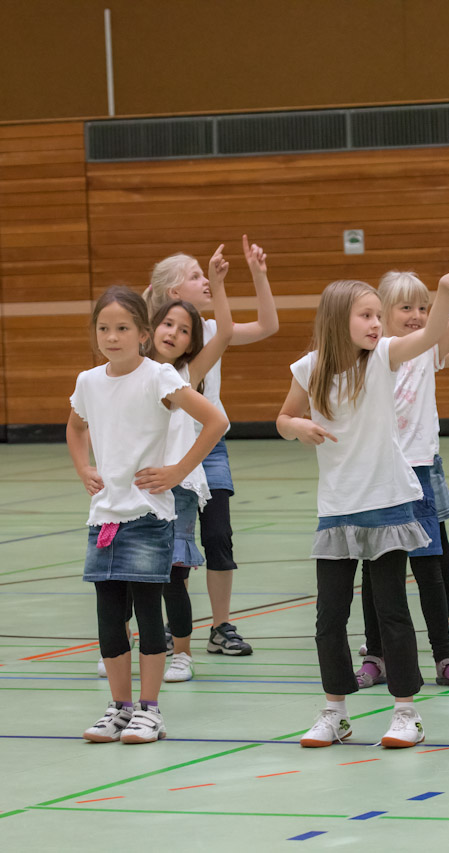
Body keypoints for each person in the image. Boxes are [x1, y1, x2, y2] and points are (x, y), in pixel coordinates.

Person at [278, 271, 449, 749]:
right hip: (337, 509)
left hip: (387, 504)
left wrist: (445, 293)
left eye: (376, 315)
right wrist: (296, 427)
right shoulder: (309, 368)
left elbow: (431, 334)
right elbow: (284, 417)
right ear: (337, 320)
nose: (375, 323)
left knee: (392, 613)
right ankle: (335, 713)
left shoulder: (385, 356)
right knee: (329, 619)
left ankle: (406, 713)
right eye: (365, 315)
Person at [68, 286, 227, 744]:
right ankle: (119, 708)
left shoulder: (159, 376)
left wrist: (178, 470)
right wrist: (83, 468)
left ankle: (149, 710)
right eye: (103, 328)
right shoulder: (88, 381)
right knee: (109, 618)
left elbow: (216, 421)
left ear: (142, 333)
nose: (111, 337)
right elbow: (76, 427)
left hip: (149, 516)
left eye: (122, 328)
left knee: (148, 615)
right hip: (104, 518)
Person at [355, 225, 449, 691]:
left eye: (423, 307)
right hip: (379, 473)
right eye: (406, 308)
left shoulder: (427, 353)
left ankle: (443, 658)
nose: (417, 315)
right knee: (377, 572)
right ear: (380, 314)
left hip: (419, 469)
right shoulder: (369, 357)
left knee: (429, 569)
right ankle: (375, 655)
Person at [142, 237, 279, 656]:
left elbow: (268, 326)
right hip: (167, 450)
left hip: (209, 446)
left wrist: (257, 275)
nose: (205, 280)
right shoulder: (154, 344)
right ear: (174, 291)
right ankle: (175, 625)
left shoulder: (214, 330)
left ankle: (221, 626)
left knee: (219, 536)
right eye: (196, 276)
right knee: (175, 542)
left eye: (206, 275)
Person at [149, 286, 233, 683]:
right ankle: (130, 647)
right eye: (167, 323)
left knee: (172, 576)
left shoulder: (186, 375)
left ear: (191, 344)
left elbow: (226, 332)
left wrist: (217, 283)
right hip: (136, 484)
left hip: (177, 486)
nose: (173, 333)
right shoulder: (130, 372)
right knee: (129, 573)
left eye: (184, 330)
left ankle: (181, 654)